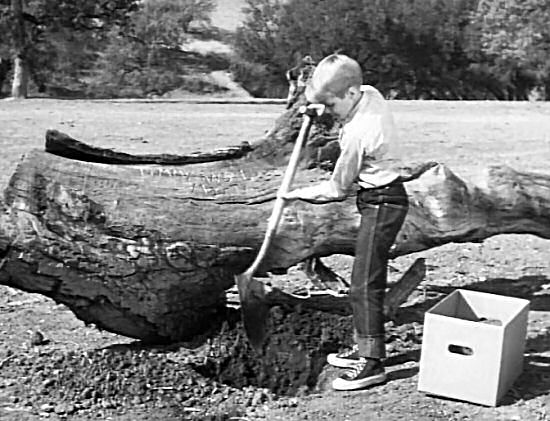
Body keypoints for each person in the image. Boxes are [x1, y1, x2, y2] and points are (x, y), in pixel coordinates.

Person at [283, 53, 409, 391]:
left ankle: (373, 363)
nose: (332, 112)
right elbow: (341, 94)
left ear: (351, 95)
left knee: (364, 284)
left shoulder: (358, 134)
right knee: (364, 279)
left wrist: (294, 193)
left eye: (333, 105)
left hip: (383, 203)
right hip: (380, 198)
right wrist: (320, 108)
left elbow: (336, 189)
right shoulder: (370, 94)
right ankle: (364, 345)